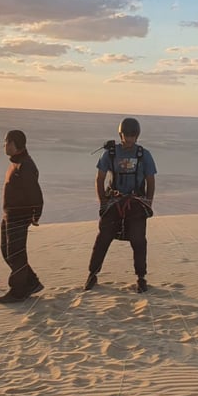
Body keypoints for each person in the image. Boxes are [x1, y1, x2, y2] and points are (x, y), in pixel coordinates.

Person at [85, 117, 156, 293]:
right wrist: (102, 202)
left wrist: (148, 203)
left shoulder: (144, 155)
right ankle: (92, 274)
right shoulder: (110, 153)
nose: (129, 139)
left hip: (136, 202)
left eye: (132, 135)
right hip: (114, 202)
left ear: (137, 136)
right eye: (126, 135)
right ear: (120, 134)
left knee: (139, 240)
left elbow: (150, 180)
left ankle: (141, 277)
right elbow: (100, 179)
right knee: (103, 237)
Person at [0, 130, 44, 304]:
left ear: (15, 144)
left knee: (16, 254)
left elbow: (35, 193)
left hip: (19, 216)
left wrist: (36, 214)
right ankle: (31, 282)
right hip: (9, 214)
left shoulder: (26, 165)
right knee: (7, 251)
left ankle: (18, 291)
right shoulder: (16, 163)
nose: (4, 146)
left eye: (6, 142)